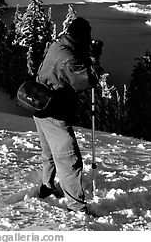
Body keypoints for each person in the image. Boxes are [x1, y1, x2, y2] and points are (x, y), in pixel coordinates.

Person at [33, 17, 103, 213]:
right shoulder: (68, 58)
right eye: (86, 38)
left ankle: (47, 186)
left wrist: (85, 53)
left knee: (49, 153)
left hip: (40, 106)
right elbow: (85, 81)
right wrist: (95, 61)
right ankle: (76, 207)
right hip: (54, 113)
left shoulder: (59, 44)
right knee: (69, 158)